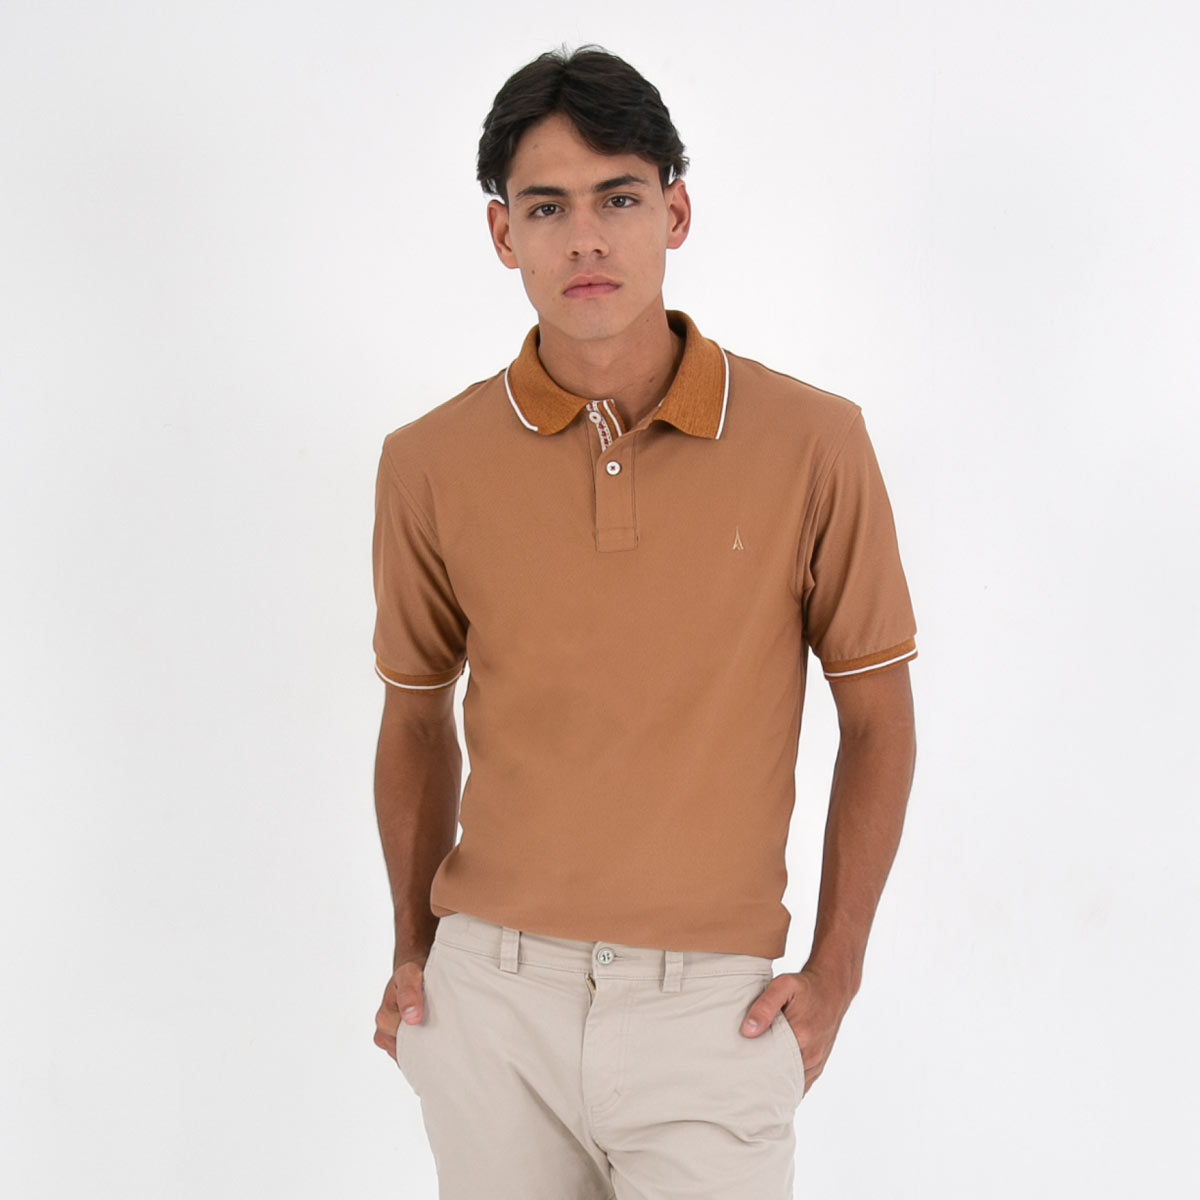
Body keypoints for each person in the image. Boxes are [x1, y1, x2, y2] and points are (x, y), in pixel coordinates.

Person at [370, 45, 917, 1199]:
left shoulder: (814, 443)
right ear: (502, 233)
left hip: (711, 1014)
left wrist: (837, 973)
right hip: (491, 1007)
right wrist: (415, 955)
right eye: (547, 207)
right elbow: (415, 718)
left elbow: (877, 718)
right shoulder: (428, 462)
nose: (585, 239)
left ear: (674, 212)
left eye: (617, 199)